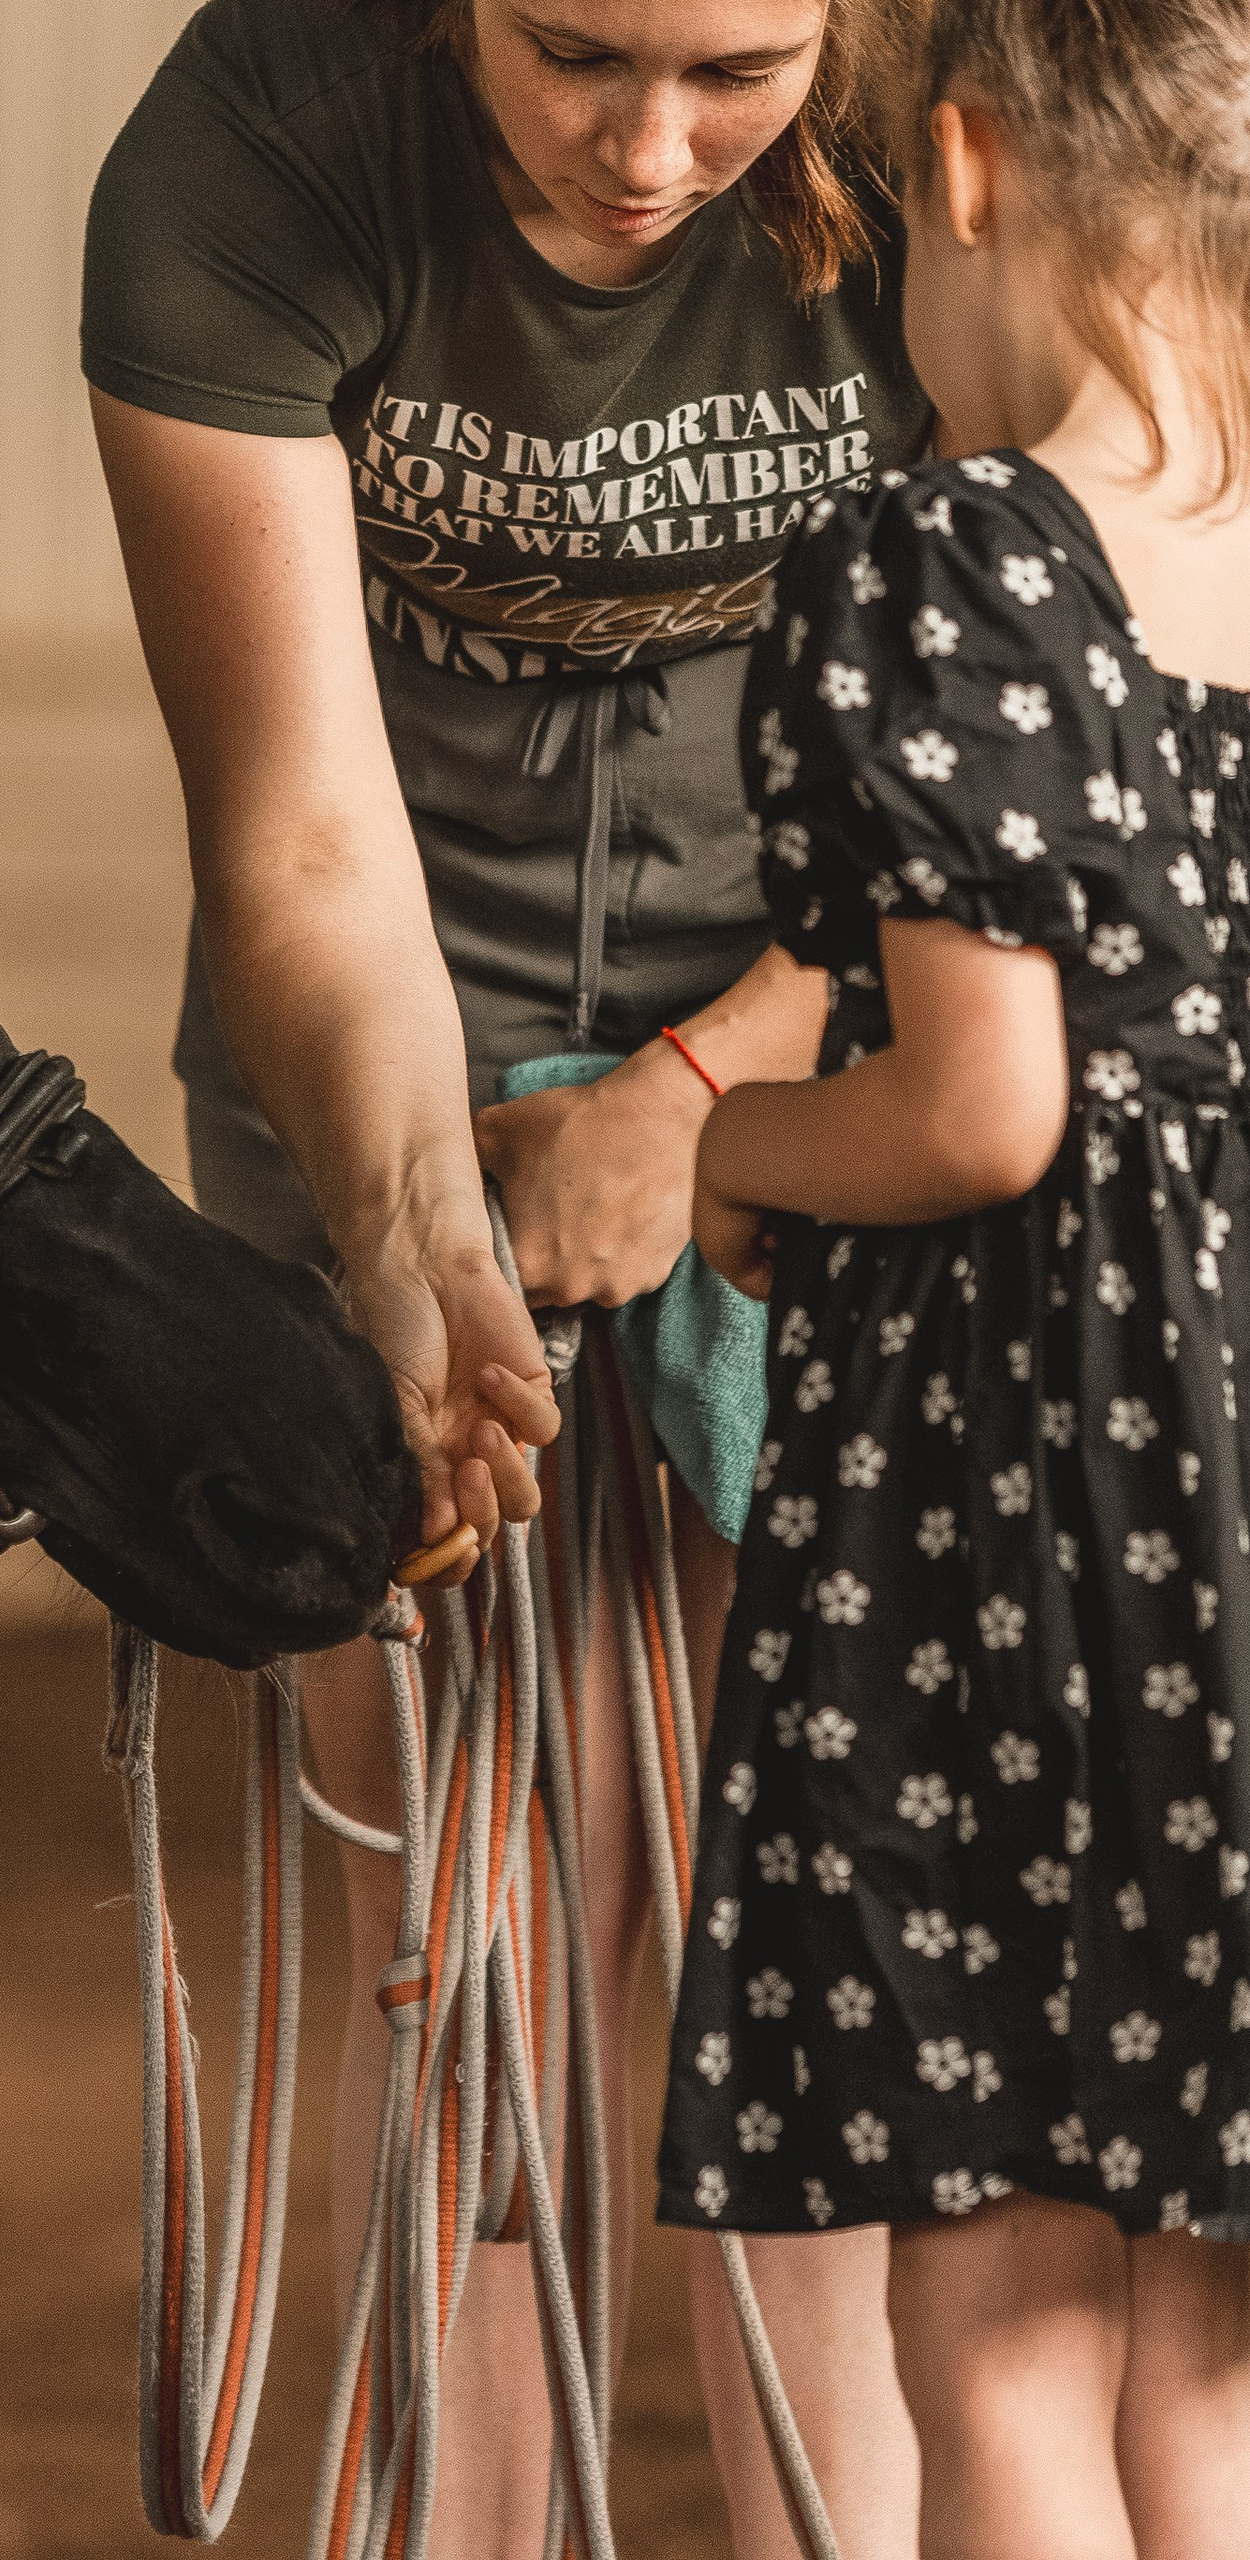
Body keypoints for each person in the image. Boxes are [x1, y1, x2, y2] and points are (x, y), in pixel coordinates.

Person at [83, 0, 927, 2548]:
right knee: (474, 1960)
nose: (647, 148)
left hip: (853, 1040)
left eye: (735, 68)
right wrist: (417, 1223)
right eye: (576, 52)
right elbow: (306, 848)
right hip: (383, 1073)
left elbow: (1051, 721)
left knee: (821, 1948)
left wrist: (699, 1104)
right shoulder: (244, 154)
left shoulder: (960, 123)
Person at [660, 3, 1250, 2552]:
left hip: (1029, 1523)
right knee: (1210, 2366)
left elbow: (980, 1110)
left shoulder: (956, 553)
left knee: (998, 2324)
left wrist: (731, 1140)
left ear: (975, 167)